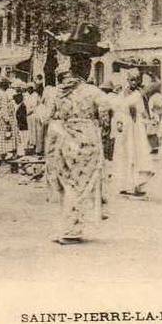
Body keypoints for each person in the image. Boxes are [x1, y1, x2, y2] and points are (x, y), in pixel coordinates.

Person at [45, 23, 111, 244]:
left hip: (62, 139)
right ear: (86, 68)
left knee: (67, 183)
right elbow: (104, 118)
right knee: (81, 184)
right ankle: (72, 229)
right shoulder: (94, 92)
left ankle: (66, 226)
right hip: (86, 141)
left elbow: (48, 116)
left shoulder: (58, 92)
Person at [111, 68, 155, 196]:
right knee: (126, 153)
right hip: (126, 126)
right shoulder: (122, 94)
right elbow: (118, 109)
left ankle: (137, 186)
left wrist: (145, 120)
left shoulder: (139, 94)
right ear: (128, 80)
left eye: (136, 80)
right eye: (132, 80)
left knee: (138, 154)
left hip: (137, 127)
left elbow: (142, 111)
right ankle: (125, 185)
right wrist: (119, 123)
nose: (134, 82)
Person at [0, 79, 18, 162]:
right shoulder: (4, 95)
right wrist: (7, 120)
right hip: (2, 119)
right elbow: (4, 109)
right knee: (3, 138)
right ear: (4, 85)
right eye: (7, 85)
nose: (8, 86)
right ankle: (0, 157)